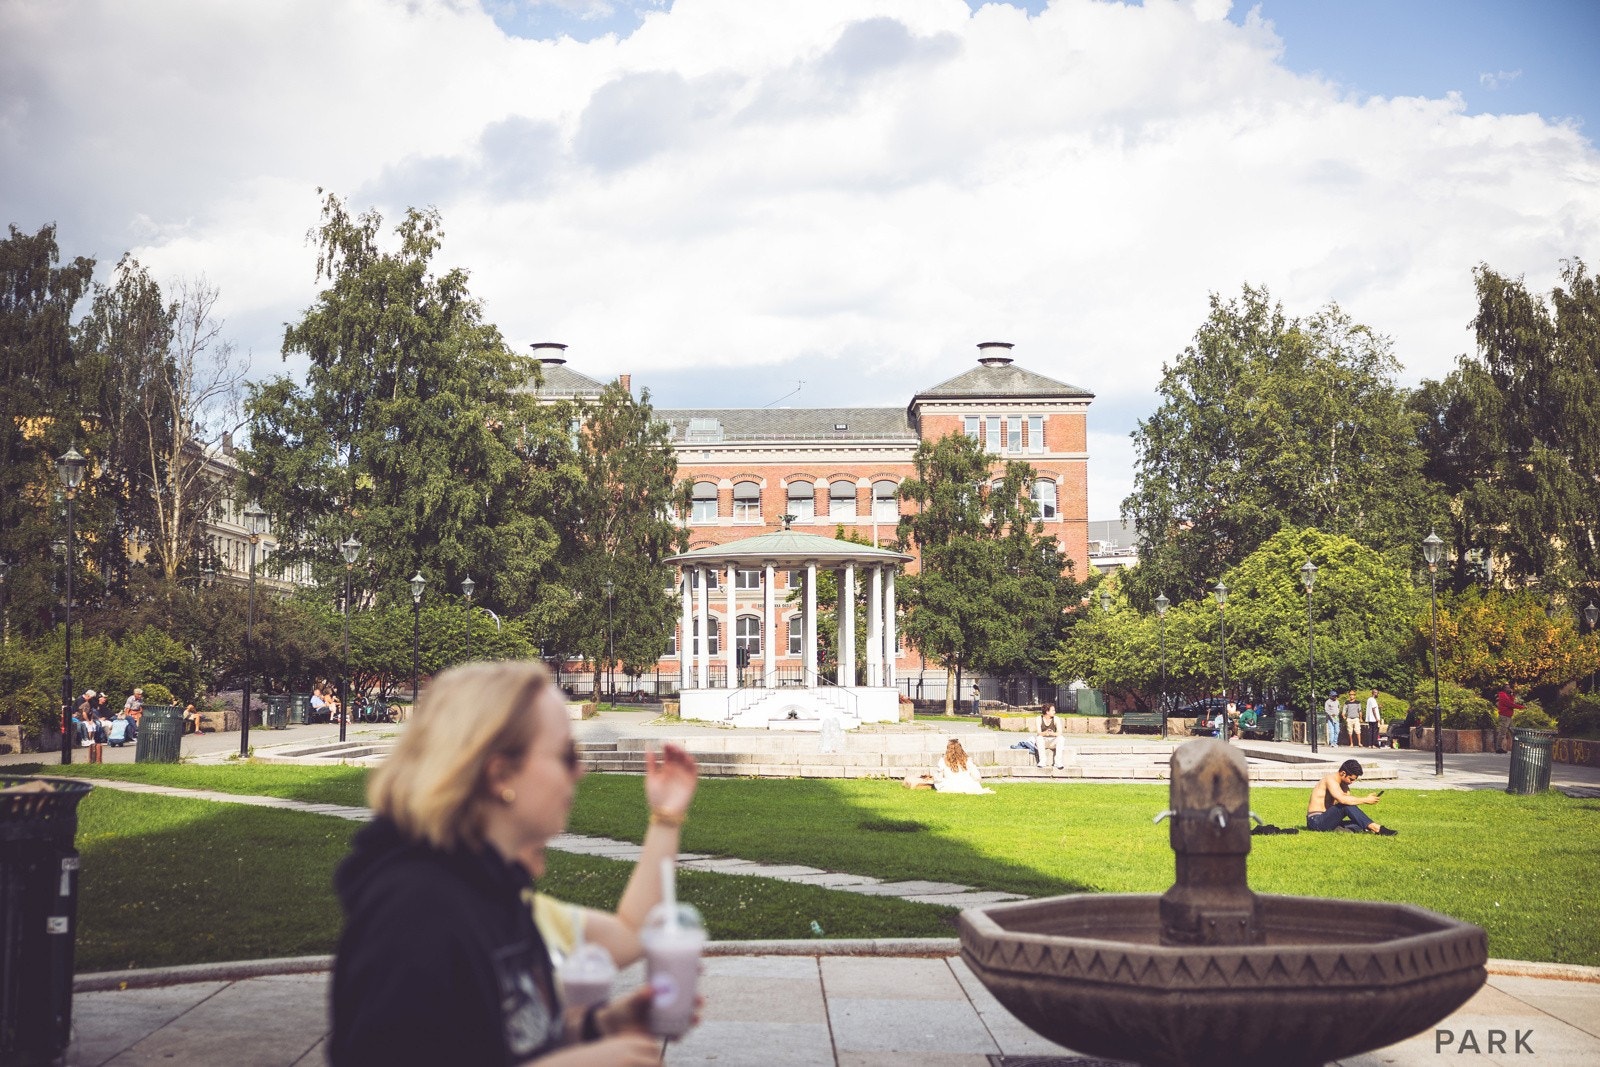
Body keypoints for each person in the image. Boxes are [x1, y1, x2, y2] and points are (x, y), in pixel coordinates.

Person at [330, 660, 674, 1066]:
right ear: (500, 776)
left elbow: (493, 1038)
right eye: (566, 754)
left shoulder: (496, 890)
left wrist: (596, 1028)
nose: (580, 771)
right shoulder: (413, 914)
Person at [1306, 759, 1395, 835]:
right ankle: (1376, 828)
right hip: (1316, 821)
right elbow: (1343, 801)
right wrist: (1366, 800)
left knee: (1360, 824)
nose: (1352, 782)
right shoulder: (1330, 780)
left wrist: (1362, 798)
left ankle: (1340, 829)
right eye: (1351, 779)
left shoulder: (1343, 783)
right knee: (1345, 804)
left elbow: (1349, 802)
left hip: (1327, 819)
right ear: (1343, 773)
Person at [1035, 704, 1066, 770]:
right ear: (1047, 712)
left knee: (1061, 738)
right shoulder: (1038, 719)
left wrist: (1052, 733)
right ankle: (1042, 761)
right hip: (1044, 742)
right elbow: (1038, 733)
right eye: (1053, 710)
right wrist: (1046, 732)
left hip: (1053, 742)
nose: (1054, 712)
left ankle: (1058, 762)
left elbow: (1059, 733)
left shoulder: (1056, 719)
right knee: (1039, 738)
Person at [1495, 686, 1524, 755]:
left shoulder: (1506, 695)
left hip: (1508, 717)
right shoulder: (1502, 695)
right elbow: (1510, 704)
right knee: (1502, 732)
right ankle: (1498, 748)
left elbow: (1511, 701)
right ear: (1504, 689)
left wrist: (1511, 694)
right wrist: (1521, 707)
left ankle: (1517, 747)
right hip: (1505, 717)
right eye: (1508, 688)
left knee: (1513, 731)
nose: (1509, 688)